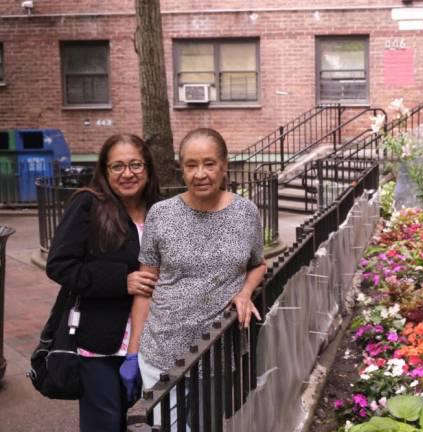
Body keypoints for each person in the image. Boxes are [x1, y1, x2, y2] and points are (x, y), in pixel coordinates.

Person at [120, 128, 266, 428]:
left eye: (209, 163)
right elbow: (145, 288)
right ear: (181, 168)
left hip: (217, 353)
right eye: (191, 165)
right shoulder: (161, 214)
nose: (200, 174)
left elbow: (258, 265)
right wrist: (132, 353)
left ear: (224, 165)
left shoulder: (246, 212)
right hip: (162, 352)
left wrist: (245, 292)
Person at [46, 134, 160, 431]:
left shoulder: (160, 211)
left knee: (145, 421)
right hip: (100, 343)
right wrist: (121, 281)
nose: (127, 173)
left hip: (151, 339)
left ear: (147, 168)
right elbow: (60, 265)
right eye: (117, 166)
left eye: (135, 164)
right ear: (105, 171)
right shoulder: (89, 204)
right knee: (106, 424)